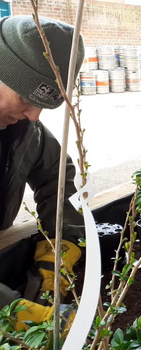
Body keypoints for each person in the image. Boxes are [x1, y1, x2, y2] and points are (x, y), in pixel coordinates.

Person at [0, 15, 85, 330]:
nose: (34, 116)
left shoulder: (23, 127)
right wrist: (16, 311)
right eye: (25, 99)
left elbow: (56, 179)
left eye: (43, 106)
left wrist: (59, 250)